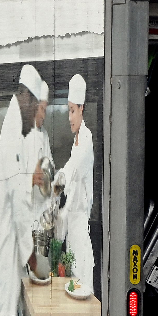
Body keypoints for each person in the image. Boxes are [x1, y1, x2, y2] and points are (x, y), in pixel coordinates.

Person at [0, 64, 41, 316]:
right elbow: (18, 198)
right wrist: (31, 254)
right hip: (7, 252)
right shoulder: (12, 134)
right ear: (26, 96)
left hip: (6, 249)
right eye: (35, 106)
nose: (34, 116)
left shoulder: (15, 127)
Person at [53, 74, 94, 295]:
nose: (69, 117)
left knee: (82, 289)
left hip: (79, 231)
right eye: (68, 111)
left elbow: (71, 170)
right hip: (73, 231)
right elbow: (68, 169)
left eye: (72, 111)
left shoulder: (85, 140)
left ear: (81, 109)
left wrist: (54, 188)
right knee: (73, 288)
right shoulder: (76, 141)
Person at [24, 78, 52, 211]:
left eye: (45, 110)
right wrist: (31, 179)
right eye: (42, 109)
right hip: (26, 209)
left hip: (42, 208)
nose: (44, 115)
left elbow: (49, 166)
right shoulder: (22, 133)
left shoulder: (44, 134)